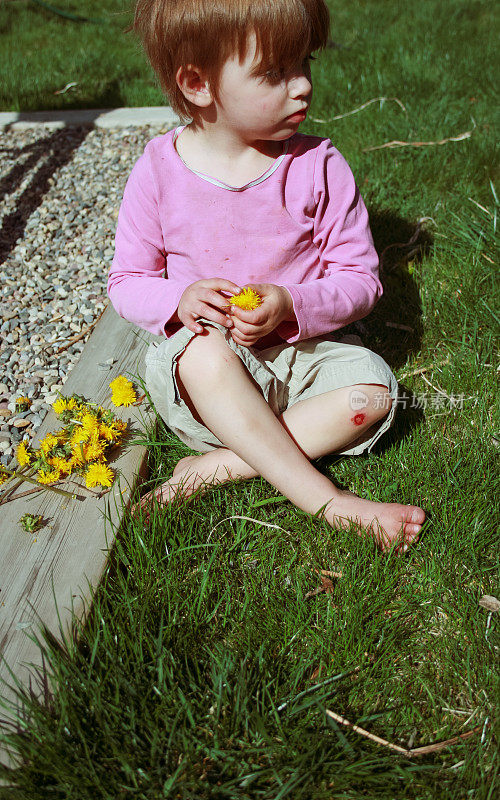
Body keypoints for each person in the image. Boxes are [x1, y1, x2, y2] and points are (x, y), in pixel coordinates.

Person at [108, 0, 426, 552]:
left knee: (376, 394)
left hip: (302, 361)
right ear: (198, 83)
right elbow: (127, 281)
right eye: (275, 73)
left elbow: (360, 279)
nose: (302, 86)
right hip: (210, 383)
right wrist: (179, 299)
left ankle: (222, 466)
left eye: (304, 63)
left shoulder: (319, 167)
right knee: (205, 354)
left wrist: (292, 303)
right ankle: (330, 501)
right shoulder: (159, 170)